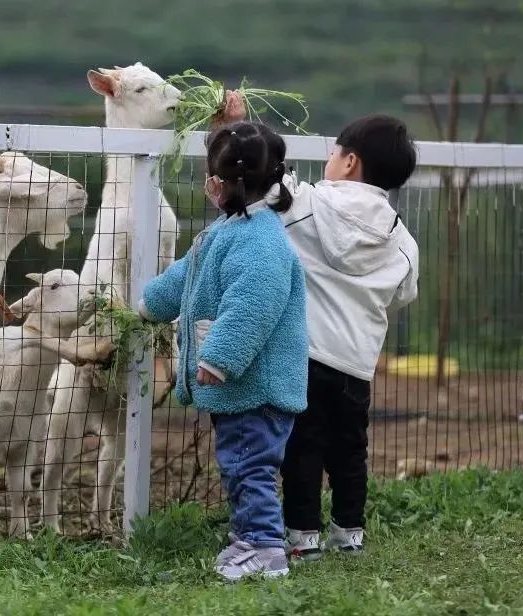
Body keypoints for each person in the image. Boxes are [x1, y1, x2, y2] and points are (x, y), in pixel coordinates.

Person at [213, 93, 420, 561]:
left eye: (333, 152)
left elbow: (263, 183)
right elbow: (405, 292)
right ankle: (350, 533)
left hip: (302, 355)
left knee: (301, 447)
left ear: (349, 161)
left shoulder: (305, 205)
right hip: (356, 363)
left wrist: (234, 126)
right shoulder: (402, 240)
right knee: (350, 450)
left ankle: (301, 535)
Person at [138, 120, 308, 581]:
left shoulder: (259, 240)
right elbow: (186, 277)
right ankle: (250, 538)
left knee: (249, 467)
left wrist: (220, 358)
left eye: (208, 173)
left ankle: (265, 549)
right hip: (240, 388)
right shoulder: (229, 229)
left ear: (225, 183)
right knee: (239, 465)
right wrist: (147, 305)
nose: (205, 181)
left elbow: (253, 304)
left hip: (255, 386)